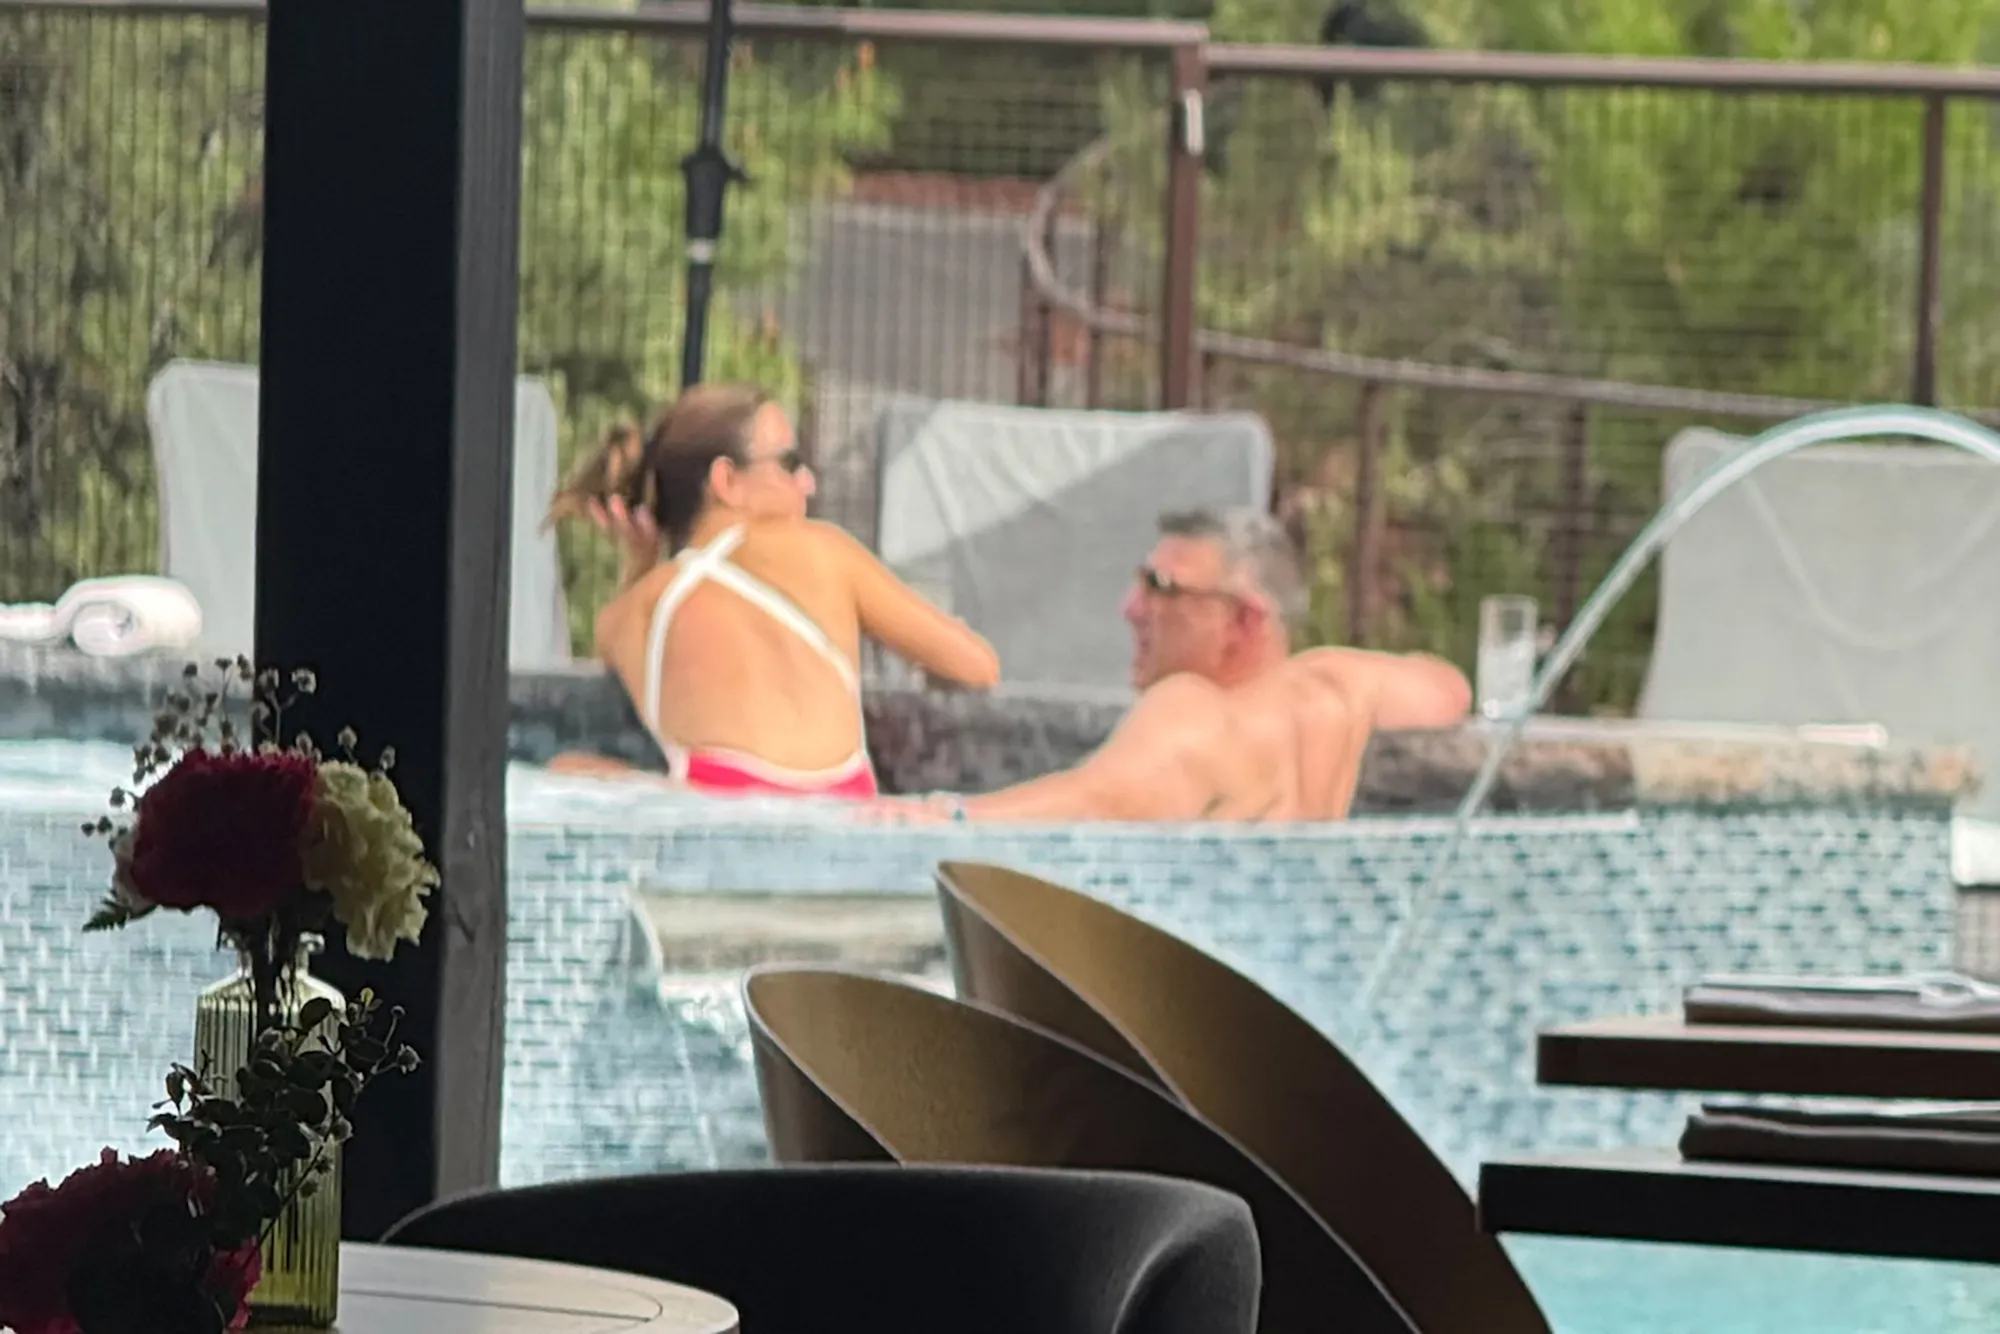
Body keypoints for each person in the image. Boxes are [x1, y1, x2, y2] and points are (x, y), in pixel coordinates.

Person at [547, 384, 999, 798]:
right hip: (841, 810)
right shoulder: (824, 550)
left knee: (569, 767)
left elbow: (614, 696)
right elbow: (977, 667)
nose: (808, 482)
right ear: (726, 482)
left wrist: (640, 564)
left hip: (716, 811)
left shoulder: (628, 614)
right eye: (790, 463)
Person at [905, 507, 1469, 822]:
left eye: (1162, 590)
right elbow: (1448, 690)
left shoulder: (1197, 711)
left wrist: (940, 817)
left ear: (1245, 620)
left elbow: (1100, 800)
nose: (1131, 610)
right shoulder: (1335, 688)